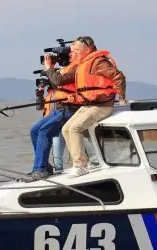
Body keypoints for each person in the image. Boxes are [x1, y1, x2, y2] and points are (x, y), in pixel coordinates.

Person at [43, 36, 126, 178]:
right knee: (66, 129)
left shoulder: (99, 62)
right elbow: (86, 89)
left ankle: (80, 165)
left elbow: (118, 77)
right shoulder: (83, 64)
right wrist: (74, 97)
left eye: (77, 49)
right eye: (73, 49)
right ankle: (82, 163)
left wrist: (122, 97)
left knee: (75, 128)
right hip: (88, 104)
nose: (74, 52)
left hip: (102, 105)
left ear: (87, 49)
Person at [25, 53, 81, 181]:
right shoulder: (54, 89)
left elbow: (59, 80)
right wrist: (40, 91)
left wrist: (49, 69)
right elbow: (40, 106)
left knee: (45, 134)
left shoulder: (74, 69)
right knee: (34, 130)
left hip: (68, 110)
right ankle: (44, 167)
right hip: (55, 115)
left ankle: (40, 169)